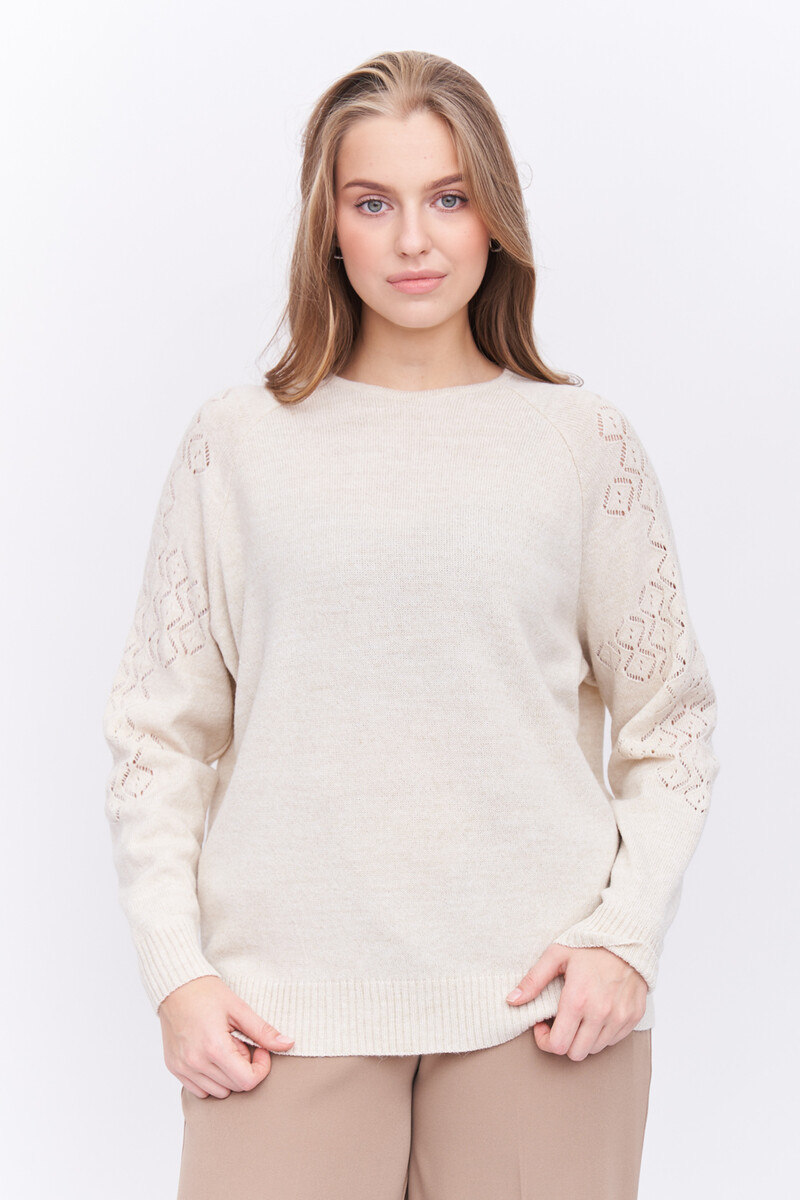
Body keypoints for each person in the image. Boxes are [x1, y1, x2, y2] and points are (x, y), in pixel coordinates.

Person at [102, 49, 720, 1200]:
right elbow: (158, 736)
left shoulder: (582, 445)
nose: (413, 240)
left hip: (542, 1009)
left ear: (494, 215)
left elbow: (669, 724)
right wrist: (176, 971)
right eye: (372, 203)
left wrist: (624, 937)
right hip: (277, 1012)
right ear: (328, 226)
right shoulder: (236, 444)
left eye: (447, 197)